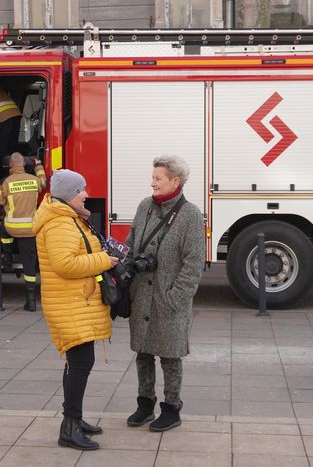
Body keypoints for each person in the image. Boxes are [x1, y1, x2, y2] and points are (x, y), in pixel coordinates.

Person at [33, 169, 119, 450]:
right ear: (70, 195)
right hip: (69, 303)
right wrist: (105, 260)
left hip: (74, 302)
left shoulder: (68, 218)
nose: (86, 194)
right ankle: (69, 427)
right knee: (80, 362)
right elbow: (65, 265)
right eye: (81, 190)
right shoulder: (59, 224)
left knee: (78, 362)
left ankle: (74, 419)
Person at [125, 155, 205, 432]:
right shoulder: (144, 207)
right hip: (142, 296)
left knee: (170, 356)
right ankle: (144, 404)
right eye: (153, 177)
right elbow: (131, 243)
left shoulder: (191, 215)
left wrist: (175, 298)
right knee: (143, 353)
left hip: (168, 299)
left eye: (157, 178)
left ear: (175, 181)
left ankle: (172, 409)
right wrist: (125, 274)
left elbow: (194, 264)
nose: (152, 183)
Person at [0, 152, 46, 311]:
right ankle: (31, 301)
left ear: (10, 166)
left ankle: (7, 258)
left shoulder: (4, 182)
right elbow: (44, 181)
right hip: (31, 229)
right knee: (29, 263)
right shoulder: (35, 180)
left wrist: (6, 213)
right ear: (23, 165)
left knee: (3, 229)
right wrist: (38, 166)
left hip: (12, 227)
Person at [0, 83, 21, 187]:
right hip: (15, 114)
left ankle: (0, 181)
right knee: (11, 148)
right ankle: (13, 175)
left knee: (0, 151)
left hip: (1, 117)